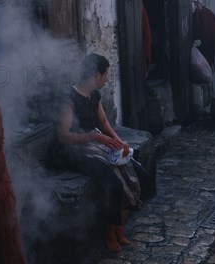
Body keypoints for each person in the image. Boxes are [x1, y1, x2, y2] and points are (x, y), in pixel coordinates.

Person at [56, 53, 150, 253]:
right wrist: (94, 137)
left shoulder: (95, 96)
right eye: (106, 74)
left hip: (94, 141)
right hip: (75, 149)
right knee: (112, 183)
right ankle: (109, 231)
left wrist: (117, 141)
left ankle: (120, 228)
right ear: (96, 75)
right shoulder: (69, 99)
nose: (107, 78)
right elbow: (63, 136)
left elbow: (104, 123)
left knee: (138, 174)